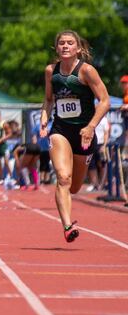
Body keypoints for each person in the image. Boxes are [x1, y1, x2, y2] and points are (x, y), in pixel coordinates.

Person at [40, 30, 109, 243]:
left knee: (75, 186)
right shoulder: (51, 71)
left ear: (78, 48)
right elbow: (49, 99)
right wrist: (44, 118)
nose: (65, 46)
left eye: (70, 43)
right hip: (61, 130)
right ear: (56, 48)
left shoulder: (87, 71)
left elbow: (105, 101)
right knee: (63, 177)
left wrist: (91, 126)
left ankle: (69, 214)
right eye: (61, 43)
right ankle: (67, 226)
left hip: (84, 134)